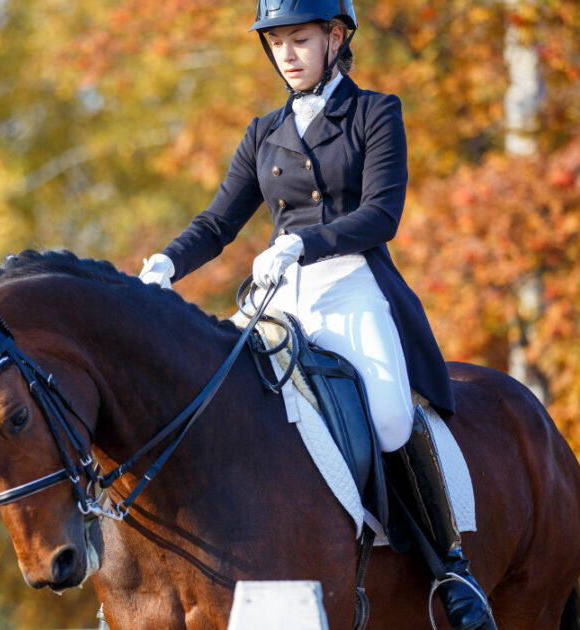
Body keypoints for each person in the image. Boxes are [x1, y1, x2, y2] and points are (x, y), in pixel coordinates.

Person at [139, 2, 496, 628]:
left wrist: (305, 243)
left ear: (335, 36)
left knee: (388, 417)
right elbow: (220, 222)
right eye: (276, 42)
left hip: (349, 284)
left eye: (299, 39)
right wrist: (168, 262)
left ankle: (453, 570)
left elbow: (383, 214)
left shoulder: (375, 113)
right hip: (278, 297)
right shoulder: (262, 132)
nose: (288, 54)